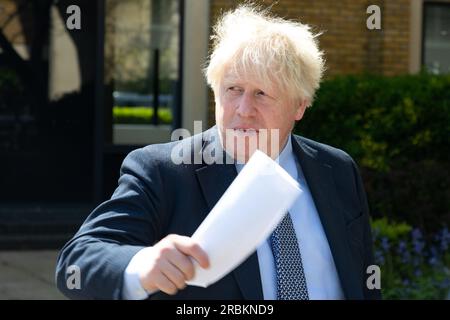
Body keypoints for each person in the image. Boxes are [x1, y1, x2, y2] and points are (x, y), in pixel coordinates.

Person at [56, 4, 381, 300]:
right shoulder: (164, 171)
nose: (243, 109)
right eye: (233, 90)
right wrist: (142, 265)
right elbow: (79, 261)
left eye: (262, 94)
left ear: (299, 105)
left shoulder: (336, 169)